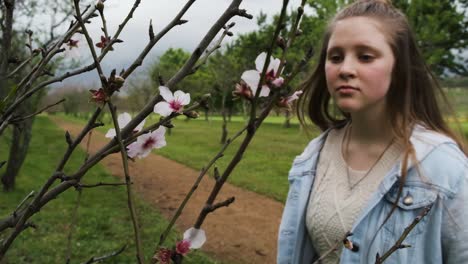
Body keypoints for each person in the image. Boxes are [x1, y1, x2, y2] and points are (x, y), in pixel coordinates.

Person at [277, 0, 468, 263]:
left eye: (365, 56)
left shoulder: (443, 169)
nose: (345, 69)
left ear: (399, 67)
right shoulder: (312, 157)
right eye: (335, 57)